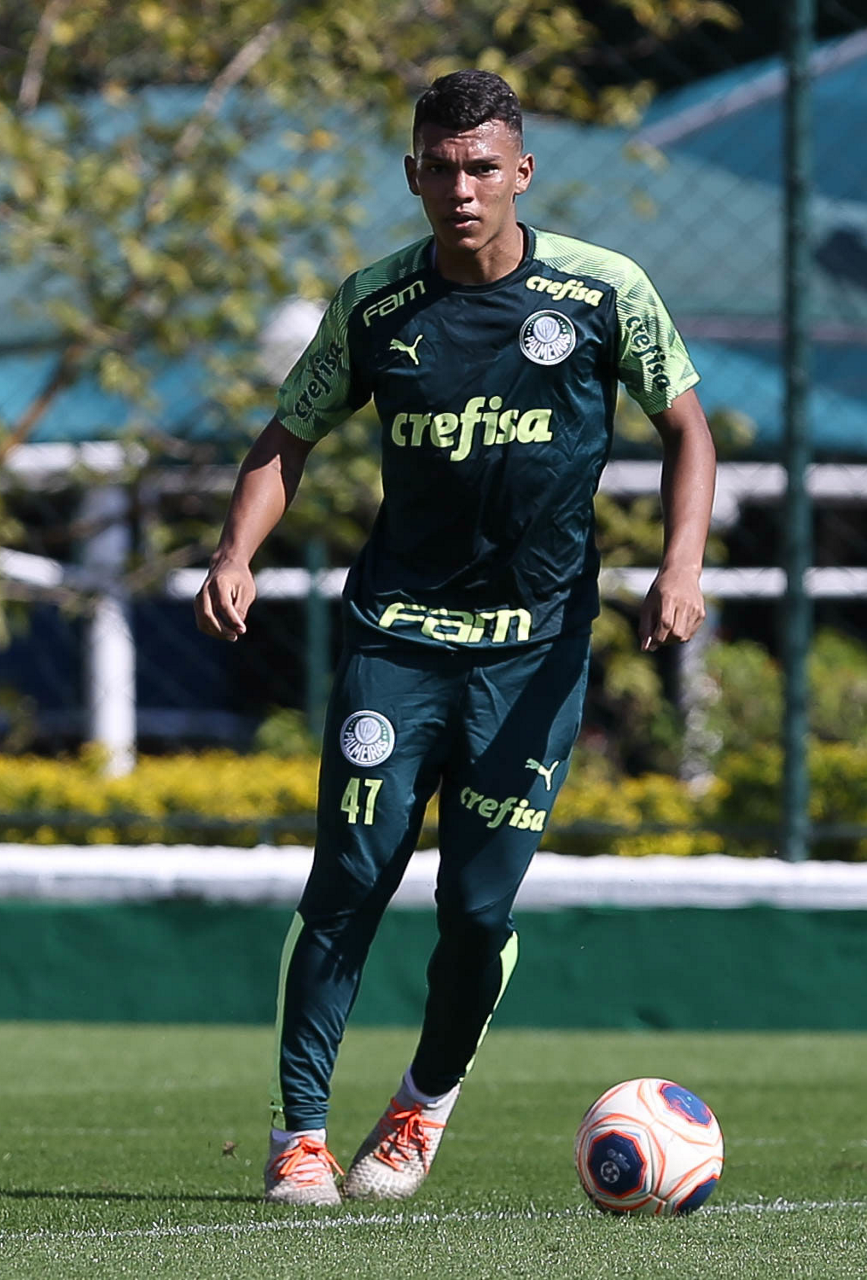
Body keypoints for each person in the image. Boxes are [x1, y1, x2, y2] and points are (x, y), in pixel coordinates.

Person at [195, 69, 716, 1207]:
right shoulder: (376, 305)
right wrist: (235, 552)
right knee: (351, 877)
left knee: (476, 910)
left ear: (521, 171)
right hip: (399, 637)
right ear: (413, 175)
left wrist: (680, 566)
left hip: (535, 650)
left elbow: (687, 427)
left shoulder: (603, 291)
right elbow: (286, 434)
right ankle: (299, 1134)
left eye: (482, 167)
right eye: (440, 168)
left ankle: (421, 1103)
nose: (462, 189)